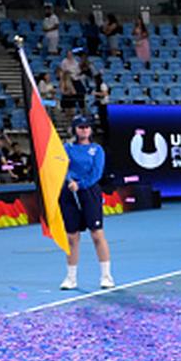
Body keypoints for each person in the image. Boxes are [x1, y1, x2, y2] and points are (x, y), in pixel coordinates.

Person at [58, 115, 113, 290]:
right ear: (74, 129)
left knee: (97, 234)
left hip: (89, 192)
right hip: (69, 192)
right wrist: (69, 181)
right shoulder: (67, 148)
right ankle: (71, 278)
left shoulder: (97, 150)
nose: (84, 129)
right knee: (72, 237)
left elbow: (96, 174)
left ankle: (106, 276)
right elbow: (62, 167)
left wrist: (80, 185)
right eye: (80, 127)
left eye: (87, 126)